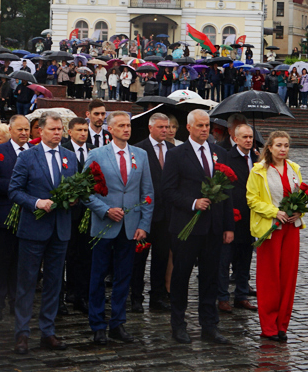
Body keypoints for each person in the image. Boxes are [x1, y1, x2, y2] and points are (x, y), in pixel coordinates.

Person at [160, 109, 232, 345]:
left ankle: (209, 326)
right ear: (189, 127)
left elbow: (227, 192)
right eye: (200, 125)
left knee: (210, 278)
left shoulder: (220, 153)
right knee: (181, 276)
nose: (204, 129)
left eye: (207, 125)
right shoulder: (176, 154)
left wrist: (228, 226)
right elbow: (168, 190)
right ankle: (178, 324)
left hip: (213, 228)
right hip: (186, 227)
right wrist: (193, 203)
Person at [9, 114, 77, 355]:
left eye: (60, 129)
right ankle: (22, 333)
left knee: (54, 282)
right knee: (27, 282)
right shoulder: (28, 156)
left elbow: (75, 187)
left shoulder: (69, 156)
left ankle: (48, 331)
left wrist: (74, 198)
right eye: (53, 129)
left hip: (60, 228)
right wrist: (37, 202)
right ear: (40, 131)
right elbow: (14, 190)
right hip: (34, 229)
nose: (58, 133)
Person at [84, 110, 153, 345]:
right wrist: (105, 210)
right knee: (98, 276)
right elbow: (85, 191)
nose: (126, 129)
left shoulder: (140, 155)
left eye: (128, 125)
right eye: (121, 125)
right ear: (110, 129)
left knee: (124, 276)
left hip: (130, 226)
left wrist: (143, 224)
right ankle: (97, 325)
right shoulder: (96, 154)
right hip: (104, 225)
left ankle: (118, 323)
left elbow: (147, 192)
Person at [246, 130, 305, 342]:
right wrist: (274, 212)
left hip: (291, 228)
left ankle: (282, 325)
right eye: (279, 145)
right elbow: (252, 199)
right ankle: (269, 326)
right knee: (269, 278)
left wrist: (299, 211)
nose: (283, 149)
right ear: (269, 147)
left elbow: (300, 195)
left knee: (288, 278)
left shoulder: (294, 168)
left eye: (286, 146)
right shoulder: (259, 170)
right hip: (270, 228)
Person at [0, 114, 30, 322]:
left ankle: (16, 303)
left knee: (21, 265)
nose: (24, 133)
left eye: (26, 129)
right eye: (19, 129)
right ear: (10, 130)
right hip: (4, 215)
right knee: (0, 263)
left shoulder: (34, 151)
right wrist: (15, 187)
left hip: (28, 217)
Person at [133, 111, 174, 313]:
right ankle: (136, 297)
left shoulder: (173, 150)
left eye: (167, 127)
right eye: (161, 127)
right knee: (138, 259)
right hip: (144, 214)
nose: (165, 130)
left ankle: (157, 297)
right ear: (150, 128)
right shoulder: (139, 149)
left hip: (166, 216)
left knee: (161, 258)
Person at [218, 122, 258, 313]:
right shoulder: (227, 157)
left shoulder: (257, 158)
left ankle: (241, 295)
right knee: (224, 260)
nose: (249, 140)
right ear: (235, 139)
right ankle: (222, 297)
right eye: (245, 137)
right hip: (232, 216)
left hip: (251, 216)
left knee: (245, 259)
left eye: (251, 137)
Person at [60, 117, 92, 315]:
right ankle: (69, 291)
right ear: (70, 132)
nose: (83, 133)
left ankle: (82, 293)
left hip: (89, 211)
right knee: (69, 253)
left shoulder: (94, 150)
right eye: (79, 130)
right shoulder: (63, 150)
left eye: (85, 130)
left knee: (85, 254)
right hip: (69, 211)